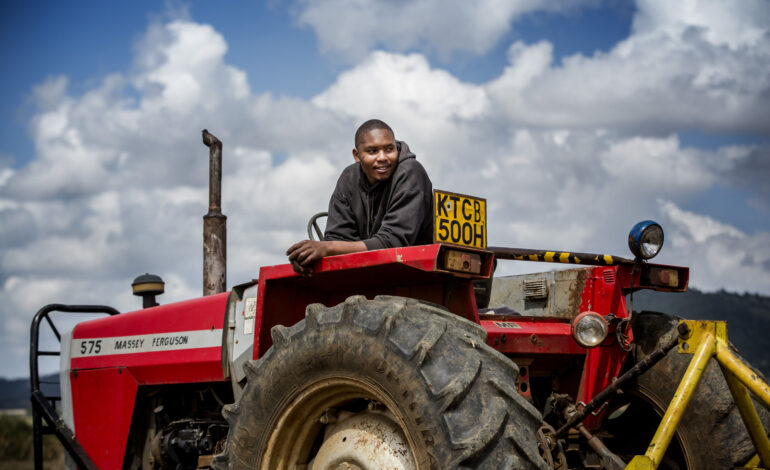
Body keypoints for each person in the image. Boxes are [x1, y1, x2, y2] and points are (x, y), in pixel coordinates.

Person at [286, 119, 433, 274]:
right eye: (372, 151)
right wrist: (307, 256)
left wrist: (327, 248)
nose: (382, 157)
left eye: (389, 149)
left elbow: (393, 243)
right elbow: (339, 238)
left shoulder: (410, 172)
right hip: (372, 272)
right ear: (357, 155)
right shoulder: (349, 178)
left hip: (417, 272)